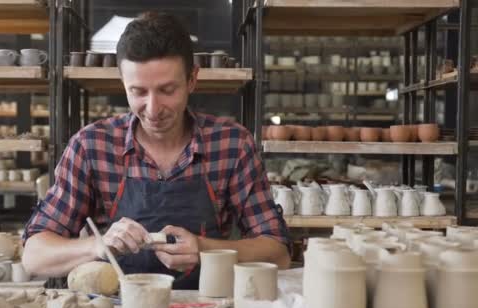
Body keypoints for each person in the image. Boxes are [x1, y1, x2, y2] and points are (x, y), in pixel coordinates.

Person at [22, 12, 290, 289]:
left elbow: (278, 252)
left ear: (192, 80)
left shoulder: (232, 144)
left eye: (167, 90)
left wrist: (204, 249)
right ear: (122, 82)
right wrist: (97, 246)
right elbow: (34, 256)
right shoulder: (91, 146)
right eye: (138, 92)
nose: (153, 109)